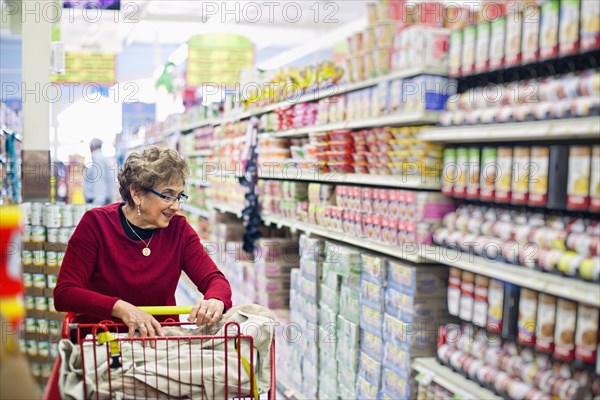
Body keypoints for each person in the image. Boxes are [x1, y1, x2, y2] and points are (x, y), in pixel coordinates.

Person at [54, 146, 232, 341]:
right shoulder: (96, 224)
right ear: (137, 194)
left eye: (179, 196)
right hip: (103, 341)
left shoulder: (178, 230)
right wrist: (121, 308)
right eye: (167, 195)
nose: (176, 206)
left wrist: (215, 299)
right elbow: (65, 293)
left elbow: (215, 279)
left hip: (159, 342)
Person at [83, 138, 114, 205]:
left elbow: (99, 182)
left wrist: (97, 204)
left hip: (98, 201)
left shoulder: (98, 159)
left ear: (92, 146)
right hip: (99, 200)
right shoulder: (98, 158)